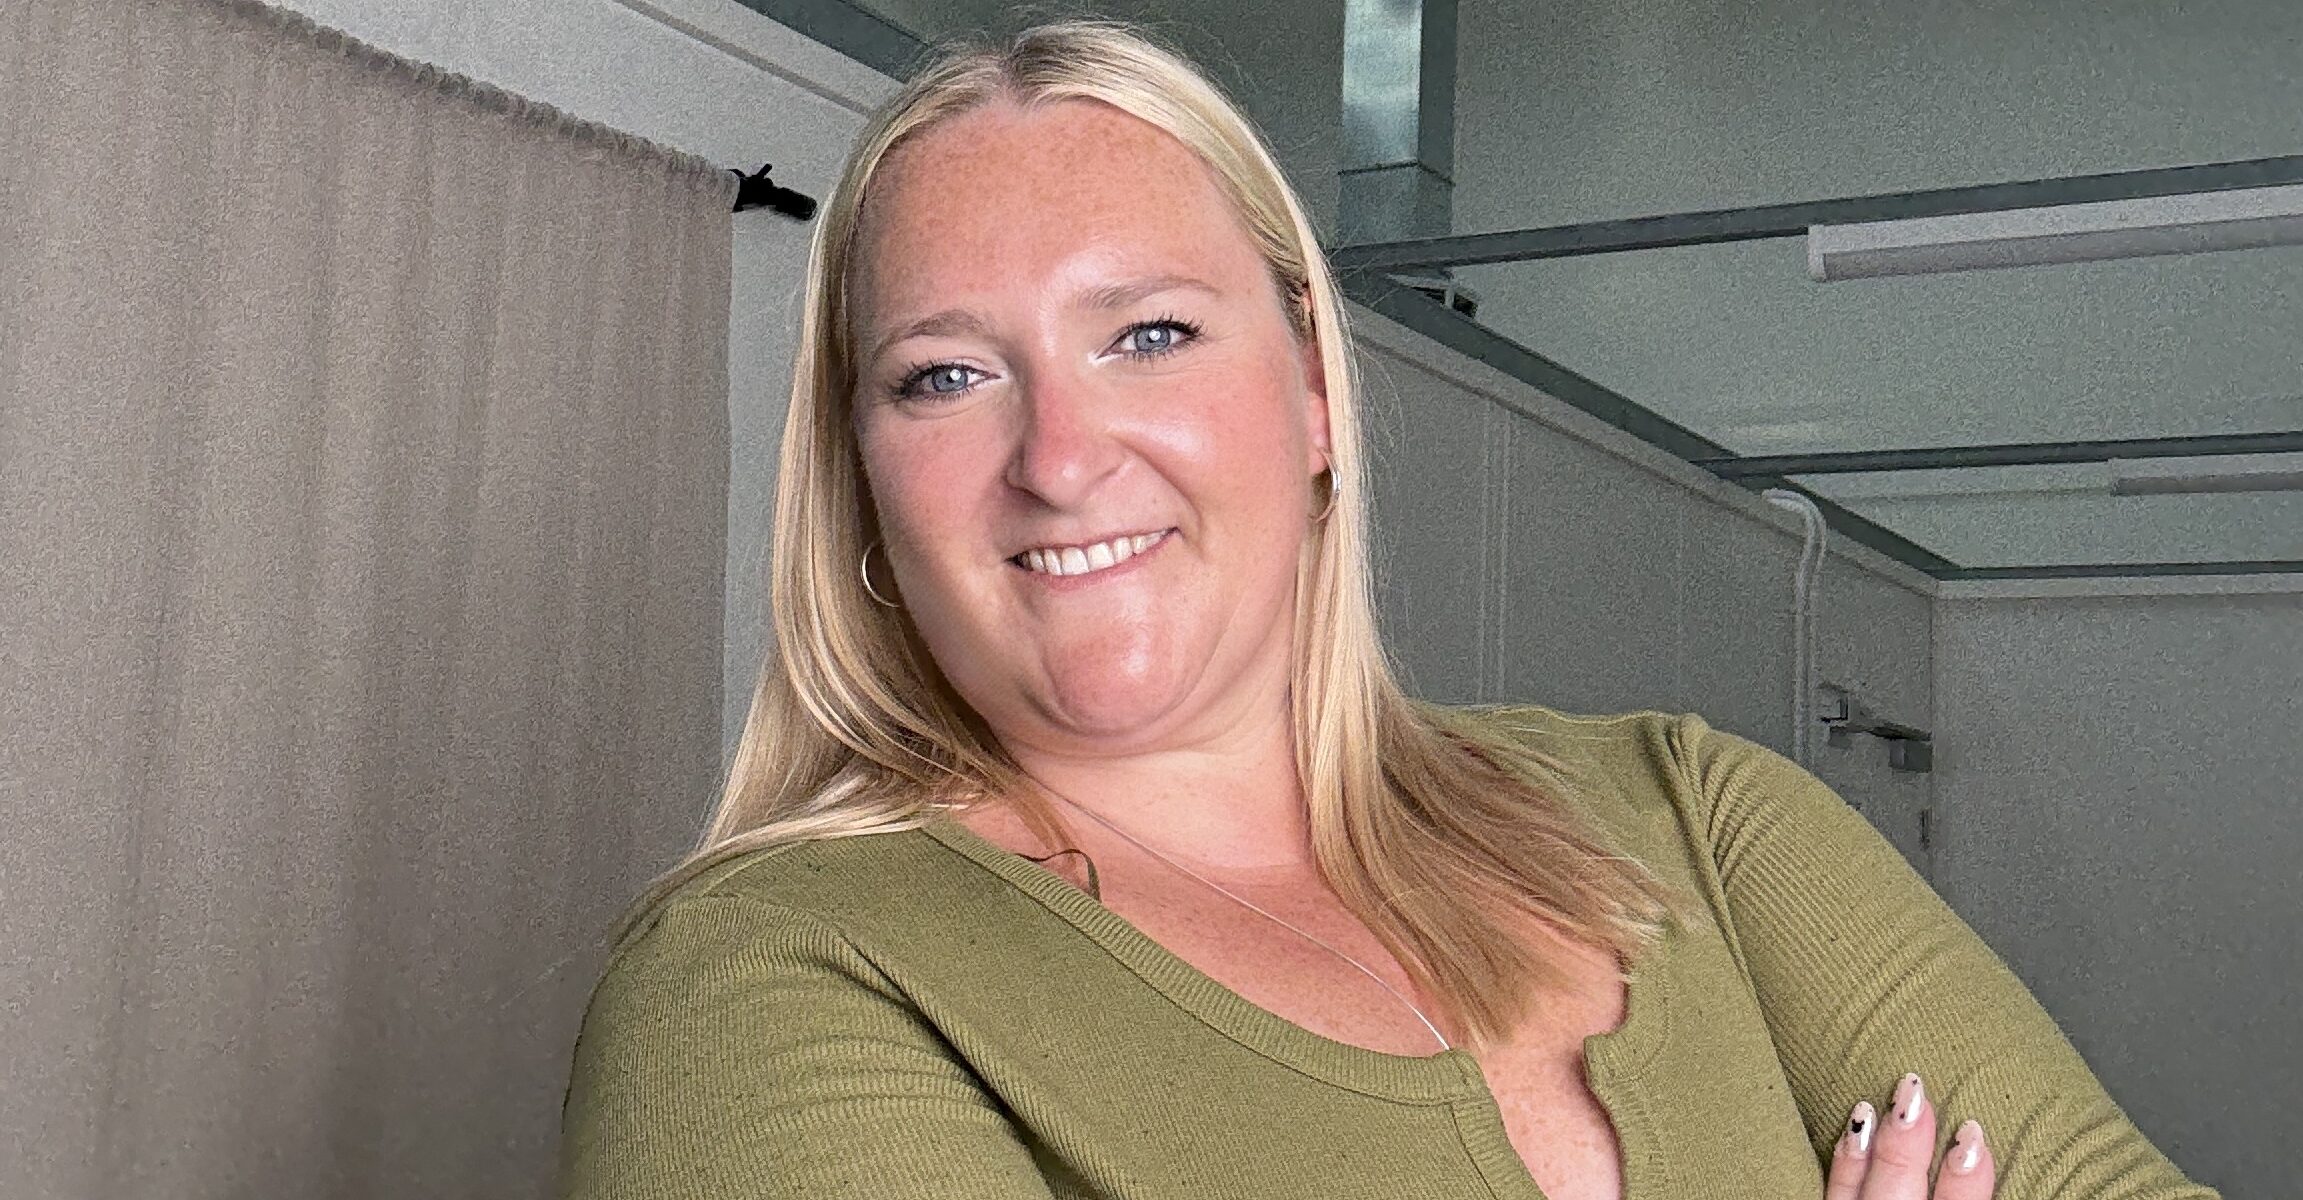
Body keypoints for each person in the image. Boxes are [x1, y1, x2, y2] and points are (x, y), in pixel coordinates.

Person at [557, 21, 2219, 1200]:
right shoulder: (775, 983)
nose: (1060, 459)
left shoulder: (1689, 816)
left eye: (1149, 335)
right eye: (944, 375)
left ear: (1316, 397)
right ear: (861, 481)